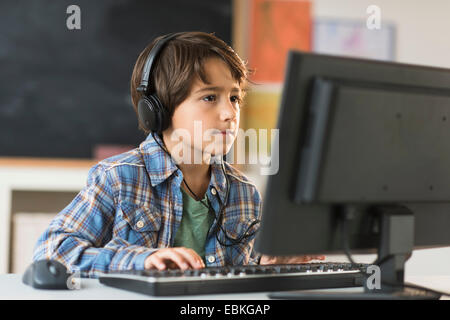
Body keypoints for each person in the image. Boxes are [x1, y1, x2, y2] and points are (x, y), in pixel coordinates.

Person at [33, 31, 324, 277]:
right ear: (158, 109)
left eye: (234, 97)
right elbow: (52, 252)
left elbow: (237, 277)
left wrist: (268, 265)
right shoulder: (119, 178)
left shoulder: (244, 193)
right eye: (209, 97)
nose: (229, 113)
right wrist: (140, 261)